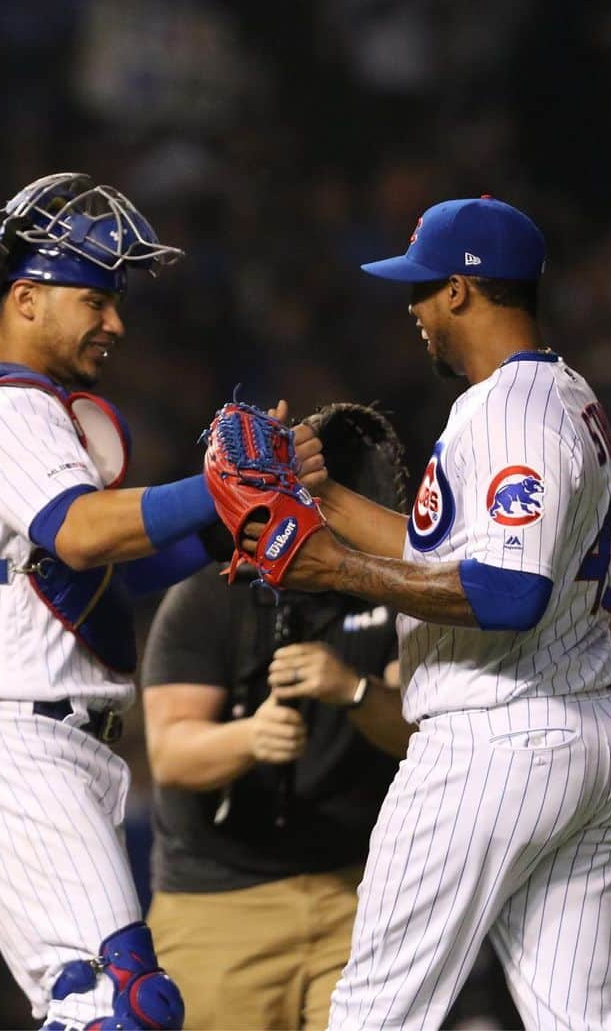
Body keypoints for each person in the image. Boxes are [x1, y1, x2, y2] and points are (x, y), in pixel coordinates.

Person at [270, 196, 611, 1030]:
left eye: (420, 289)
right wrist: (324, 500)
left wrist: (336, 568)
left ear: (461, 293)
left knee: (376, 1013)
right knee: (577, 1019)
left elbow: (510, 593)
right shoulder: (559, 395)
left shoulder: (509, 411)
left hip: (497, 741)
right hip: (585, 736)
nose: (412, 310)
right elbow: (445, 553)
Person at [0, 173, 222, 1031]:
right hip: (12, 739)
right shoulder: (5, 403)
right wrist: (220, 487)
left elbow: (98, 581)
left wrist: (228, 528)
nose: (115, 321)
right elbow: (82, 533)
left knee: (97, 1006)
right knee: (119, 1007)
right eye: (95, 299)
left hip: (50, 740)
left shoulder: (24, 408)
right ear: (26, 297)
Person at [141, 404, 414, 1031]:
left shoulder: (391, 591)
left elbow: (415, 736)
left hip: (357, 894)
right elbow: (173, 754)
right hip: (219, 902)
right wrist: (250, 737)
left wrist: (352, 691)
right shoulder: (211, 595)